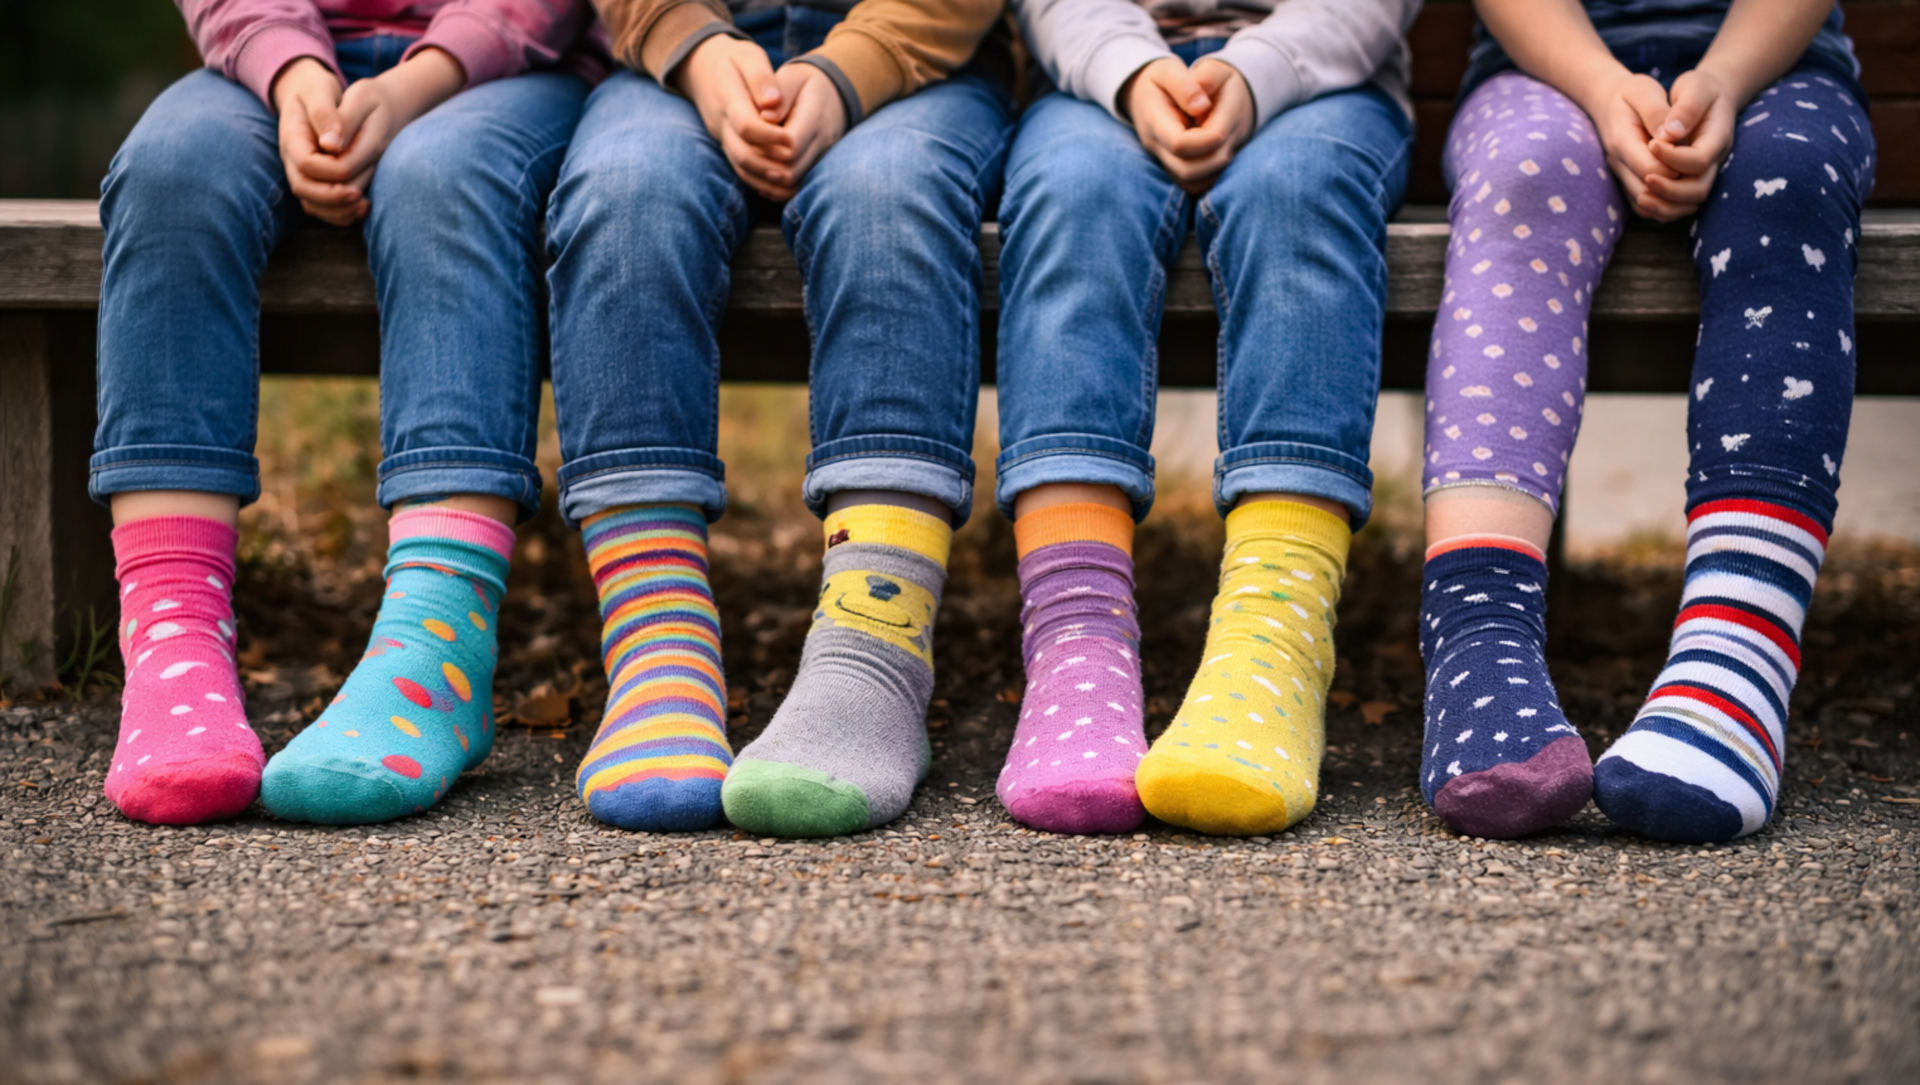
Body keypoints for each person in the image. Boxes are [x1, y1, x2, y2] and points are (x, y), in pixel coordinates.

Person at [93, 0, 603, 825]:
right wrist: (293, 70)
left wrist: (414, 86)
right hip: (274, 62)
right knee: (171, 173)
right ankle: (173, 641)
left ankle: (436, 643)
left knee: (444, 175)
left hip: (506, 68)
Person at [549, 0, 1014, 835]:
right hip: (677, 60)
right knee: (625, 198)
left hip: (917, 55)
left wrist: (850, 68)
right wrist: (688, 41)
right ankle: (657, 644)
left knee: (887, 200)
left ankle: (874, 649)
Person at [1416, 0, 1872, 842]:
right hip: (1544, 63)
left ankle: (1738, 645)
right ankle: (1479, 639)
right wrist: (1601, 81)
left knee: (1790, 175)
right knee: (1528, 172)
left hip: (1774, 64)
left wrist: (1723, 78)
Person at [991, 0, 1419, 835]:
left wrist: (1256, 71)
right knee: (1074, 195)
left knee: (1299, 192)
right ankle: (1076, 642)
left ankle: (1274, 638)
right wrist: (1132, 68)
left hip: (1322, 79)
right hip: (1100, 76)